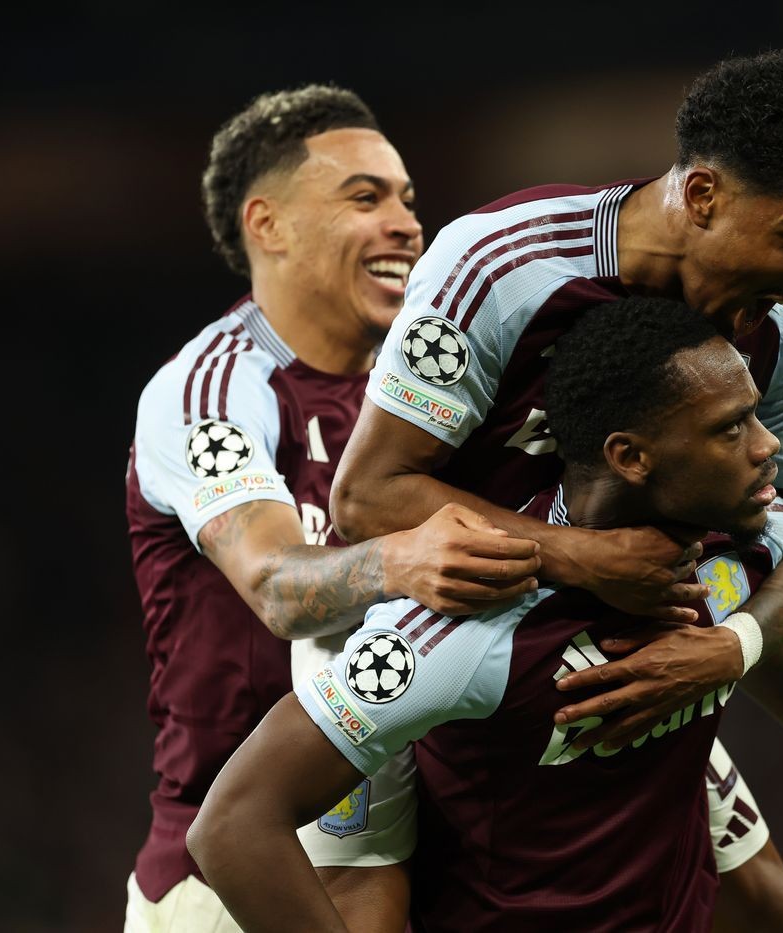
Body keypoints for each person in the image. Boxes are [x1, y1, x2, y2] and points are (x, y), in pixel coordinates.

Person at [331, 50, 783, 922]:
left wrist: (764, 681)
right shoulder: (501, 269)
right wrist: (580, 558)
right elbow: (365, 498)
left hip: (616, 675)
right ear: (703, 195)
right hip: (421, 656)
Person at [190, 296, 783, 932]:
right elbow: (233, 824)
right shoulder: (469, 623)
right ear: (630, 457)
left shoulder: (750, 537)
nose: (767, 445)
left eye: (756, 416)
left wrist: (750, 661)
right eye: (731, 429)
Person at [123, 85, 542, 933]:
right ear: (268, 224)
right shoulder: (212, 391)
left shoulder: (426, 396)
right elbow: (277, 586)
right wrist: (401, 559)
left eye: (408, 201)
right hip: (238, 879)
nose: (406, 225)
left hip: (404, 859)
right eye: (365, 197)